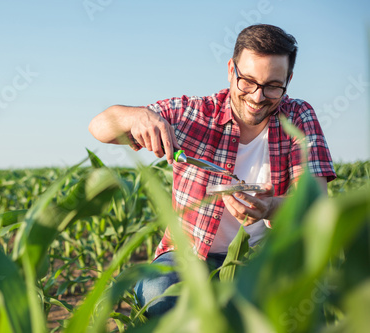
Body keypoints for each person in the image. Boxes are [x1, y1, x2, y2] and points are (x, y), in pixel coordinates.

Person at [88, 24, 336, 317]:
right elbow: (99, 127)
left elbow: (315, 202)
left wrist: (269, 208)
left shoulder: (298, 117)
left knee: (308, 302)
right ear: (231, 70)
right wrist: (138, 116)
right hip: (188, 255)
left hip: (265, 256)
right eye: (247, 81)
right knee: (158, 292)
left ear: (288, 80)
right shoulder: (193, 114)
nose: (257, 97)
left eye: (273, 85)